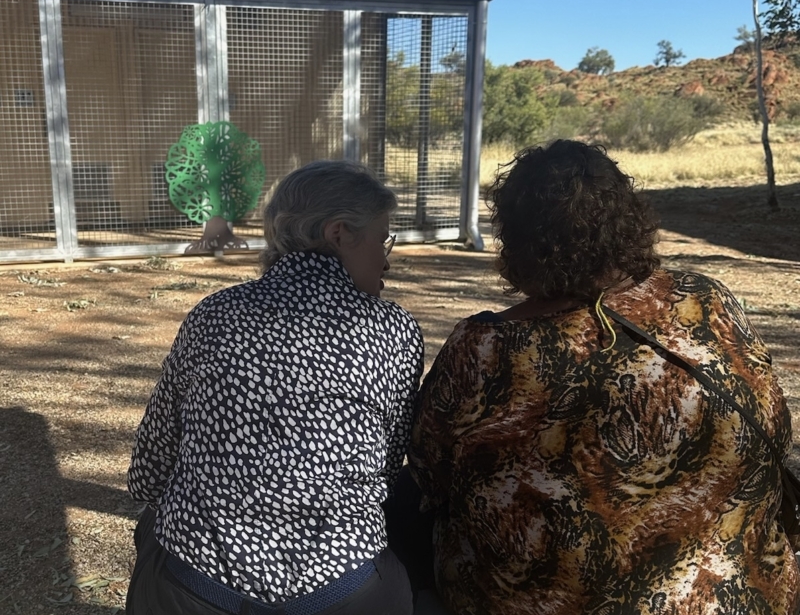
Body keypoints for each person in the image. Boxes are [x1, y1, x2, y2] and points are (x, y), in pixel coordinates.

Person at [408, 139, 800, 615]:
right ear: (629, 222)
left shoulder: (484, 346)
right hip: (736, 595)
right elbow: (775, 425)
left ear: (518, 239)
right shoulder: (704, 301)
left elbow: (431, 473)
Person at [127, 159, 425, 615]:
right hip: (346, 591)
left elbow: (150, 464)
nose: (386, 258)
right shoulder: (396, 329)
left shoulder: (215, 314)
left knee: (154, 521)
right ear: (339, 233)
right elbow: (386, 467)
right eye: (383, 238)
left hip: (194, 588)